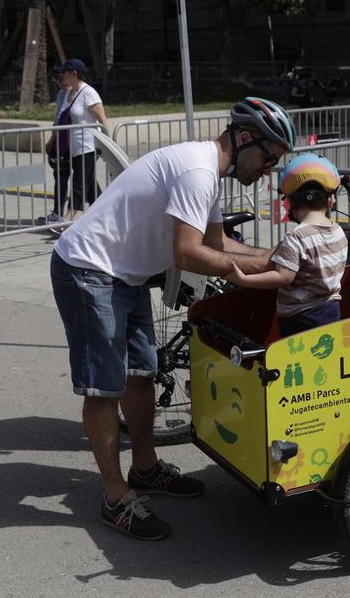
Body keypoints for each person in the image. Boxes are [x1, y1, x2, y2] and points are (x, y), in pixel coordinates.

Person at [50, 97, 295, 540]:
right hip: (87, 270)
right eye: (268, 157)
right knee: (103, 388)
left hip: (125, 274)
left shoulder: (209, 174)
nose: (268, 170)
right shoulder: (198, 172)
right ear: (243, 139)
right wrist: (251, 271)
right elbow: (189, 254)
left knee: (142, 373)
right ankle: (114, 495)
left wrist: (279, 259)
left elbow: (220, 245)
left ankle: (145, 469)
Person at [227, 154, 347, 335]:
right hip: (330, 308)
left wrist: (244, 279)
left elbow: (283, 277)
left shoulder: (297, 237)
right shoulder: (338, 231)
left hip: (301, 316)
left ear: (289, 203)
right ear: (330, 200)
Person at [44, 59, 107, 226]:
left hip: (88, 146)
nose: (61, 76)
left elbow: (102, 120)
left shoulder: (89, 93)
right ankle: (106, 216)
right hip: (75, 148)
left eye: (64, 73)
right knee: (90, 185)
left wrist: (108, 144)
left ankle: (67, 222)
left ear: (73, 74)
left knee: (79, 183)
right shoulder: (70, 93)